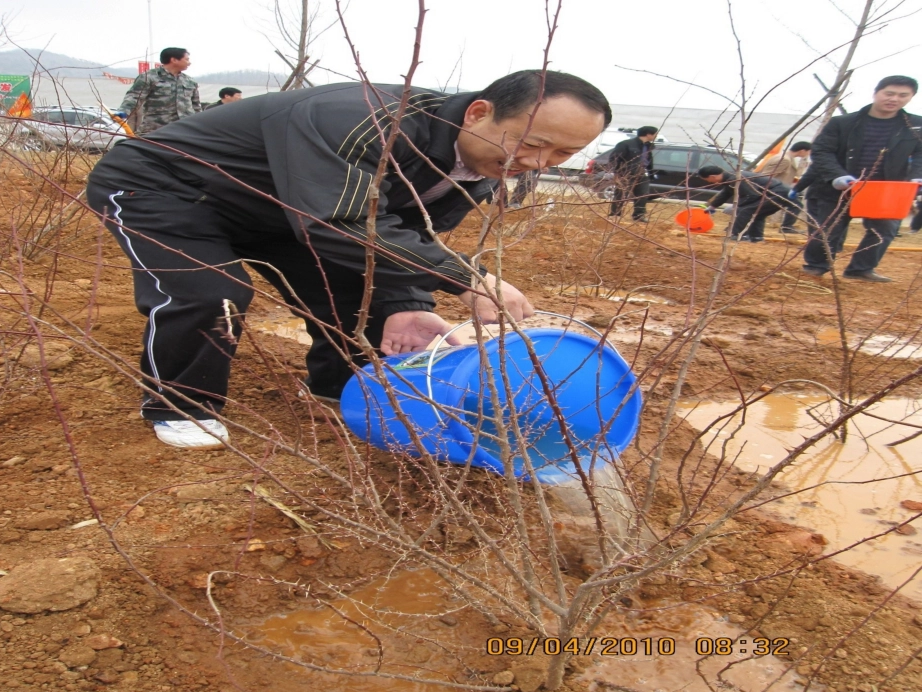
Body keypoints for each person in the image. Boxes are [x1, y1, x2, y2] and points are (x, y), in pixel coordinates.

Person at [85, 70, 610, 449]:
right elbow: (335, 223)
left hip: (284, 211)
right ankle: (183, 406)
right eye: (532, 143)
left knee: (353, 299)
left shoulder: (473, 165)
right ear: (479, 112)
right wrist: (467, 278)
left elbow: (399, 236)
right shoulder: (361, 119)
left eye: (561, 155)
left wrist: (405, 301)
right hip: (169, 188)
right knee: (211, 292)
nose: (537, 163)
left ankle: (341, 389)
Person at [800, 75, 922, 282]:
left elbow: (920, 155)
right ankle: (816, 266)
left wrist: (915, 178)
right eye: (889, 93)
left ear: (911, 97)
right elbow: (822, 151)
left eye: (903, 95)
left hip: (887, 190)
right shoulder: (843, 123)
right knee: (828, 228)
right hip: (842, 186)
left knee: (884, 230)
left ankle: (861, 269)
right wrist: (838, 176)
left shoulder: (916, 126)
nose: (894, 99)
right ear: (876, 93)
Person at [115, 48, 201, 135]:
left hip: (185, 130)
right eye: (187, 59)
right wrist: (123, 111)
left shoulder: (190, 81)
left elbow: (196, 106)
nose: (189, 63)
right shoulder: (149, 77)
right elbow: (134, 96)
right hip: (156, 129)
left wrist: (200, 125)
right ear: (174, 60)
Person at [696, 165, 793, 242]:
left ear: (712, 176)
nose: (708, 182)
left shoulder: (735, 178)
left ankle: (736, 235)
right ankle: (756, 237)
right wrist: (712, 206)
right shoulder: (731, 177)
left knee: (746, 211)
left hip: (777, 193)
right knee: (757, 214)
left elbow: (751, 196)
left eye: (707, 179)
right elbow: (725, 193)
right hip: (776, 192)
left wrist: (737, 206)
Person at [600, 126, 658, 222]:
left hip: (642, 174)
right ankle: (615, 214)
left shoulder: (648, 146)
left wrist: (650, 173)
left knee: (642, 195)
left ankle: (639, 215)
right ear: (648, 134)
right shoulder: (626, 144)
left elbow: (648, 161)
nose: (656, 136)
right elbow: (614, 159)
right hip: (626, 174)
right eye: (655, 134)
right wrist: (617, 173)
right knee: (621, 195)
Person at [756, 141, 811, 234]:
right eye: (808, 151)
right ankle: (786, 227)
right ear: (802, 151)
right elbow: (767, 176)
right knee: (796, 205)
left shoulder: (785, 157)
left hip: (778, 189)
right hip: (776, 189)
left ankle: (786, 226)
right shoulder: (784, 159)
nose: (809, 154)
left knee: (795, 205)